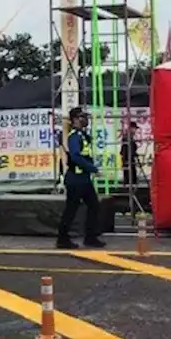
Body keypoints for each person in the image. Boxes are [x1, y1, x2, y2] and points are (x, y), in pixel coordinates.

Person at [57, 107, 105, 249]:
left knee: (94, 206)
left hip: (84, 179)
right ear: (75, 120)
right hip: (75, 179)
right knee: (71, 210)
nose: (85, 119)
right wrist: (93, 169)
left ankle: (90, 237)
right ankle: (62, 239)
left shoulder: (82, 135)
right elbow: (76, 157)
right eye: (82, 117)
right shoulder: (74, 137)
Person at [122, 121, 140, 188]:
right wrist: (134, 154)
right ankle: (129, 192)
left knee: (131, 176)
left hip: (129, 158)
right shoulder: (127, 137)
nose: (135, 130)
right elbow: (127, 149)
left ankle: (130, 190)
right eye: (134, 128)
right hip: (128, 159)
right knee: (130, 176)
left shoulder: (129, 136)